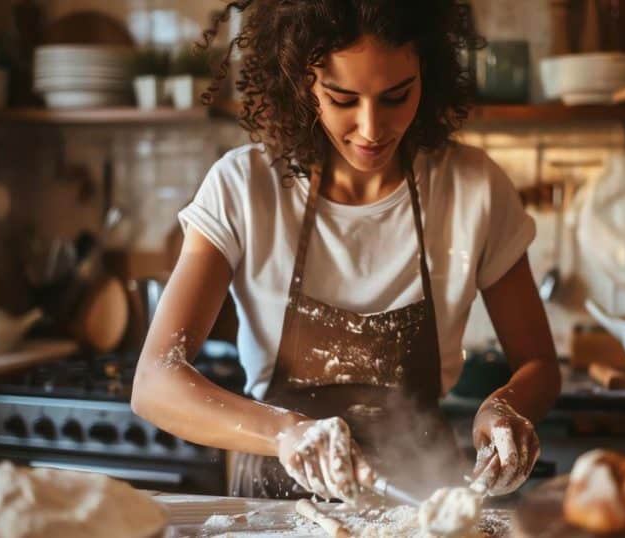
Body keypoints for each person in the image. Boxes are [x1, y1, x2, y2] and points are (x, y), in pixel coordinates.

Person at [131, 0, 561, 504]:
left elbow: (538, 364)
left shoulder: (474, 189)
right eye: (342, 98)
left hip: (421, 505)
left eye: (397, 96)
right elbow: (155, 380)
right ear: (301, 83)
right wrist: (287, 433)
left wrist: (503, 409)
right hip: (275, 510)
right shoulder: (244, 188)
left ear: (429, 72)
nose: (372, 128)